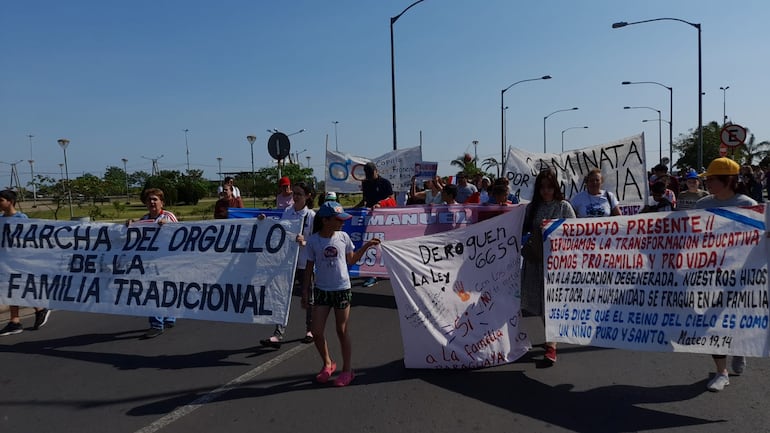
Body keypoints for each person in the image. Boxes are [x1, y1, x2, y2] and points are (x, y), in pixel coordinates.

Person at [304, 200, 381, 387]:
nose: (342, 222)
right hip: (322, 290)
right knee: (316, 331)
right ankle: (328, 364)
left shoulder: (344, 237)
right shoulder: (313, 241)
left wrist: (366, 246)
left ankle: (347, 370)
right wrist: (306, 291)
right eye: (338, 219)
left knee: (342, 330)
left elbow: (351, 260)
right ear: (325, 220)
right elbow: (308, 268)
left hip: (341, 289)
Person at [696, 157, 757, 392]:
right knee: (713, 322)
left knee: (736, 319)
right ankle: (721, 372)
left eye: (711, 179)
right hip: (710, 276)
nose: (708, 183)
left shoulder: (748, 204)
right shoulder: (701, 205)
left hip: (741, 275)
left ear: (727, 180)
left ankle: (739, 348)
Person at [520, 170, 576, 365]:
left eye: (549, 187)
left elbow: (574, 233)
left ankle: (551, 345)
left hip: (556, 265)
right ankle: (550, 340)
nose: (546, 191)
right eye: (542, 187)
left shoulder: (564, 207)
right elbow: (522, 228)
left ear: (556, 187)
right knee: (540, 305)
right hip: (536, 262)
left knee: (550, 303)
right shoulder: (532, 208)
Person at [260, 181, 317, 348]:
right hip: (287, 263)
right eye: (295, 193)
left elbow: (316, 240)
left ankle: (310, 329)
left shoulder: (311, 216)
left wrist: (304, 242)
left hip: (305, 263)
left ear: (308, 196)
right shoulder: (287, 212)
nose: (296, 197)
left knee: (309, 297)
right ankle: (278, 333)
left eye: (300, 194)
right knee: (282, 297)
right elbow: (280, 230)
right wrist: (264, 221)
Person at [128, 188, 178, 339]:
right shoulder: (145, 219)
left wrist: (167, 226)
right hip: (150, 263)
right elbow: (138, 228)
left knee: (167, 290)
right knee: (152, 292)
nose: (152, 202)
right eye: (149, 200)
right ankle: (157, 323)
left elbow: (180, 234)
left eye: (155, 199)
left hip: (167, 262)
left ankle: (169, 317)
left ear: (162, 202)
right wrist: (131, 223)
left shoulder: (168, 216)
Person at [0, 190, 51, 336]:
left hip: (18, 260)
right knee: (10, 289)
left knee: (16, 288)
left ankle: (23, 317)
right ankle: (17, 320)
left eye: (1, 200)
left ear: (10, 201)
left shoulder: (21, 218)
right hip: (5, 260)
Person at [356, 162, 393, 287]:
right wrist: (355, 209)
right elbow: (365, 200)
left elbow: (392, 200)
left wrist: (380, 204)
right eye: (368, 175)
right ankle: (372, 274)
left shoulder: (385, 183)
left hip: (384, 218)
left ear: (376, 171)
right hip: (370, 218)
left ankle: (386, 269)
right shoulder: (365, 183)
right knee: (370, 244)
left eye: (371, 174)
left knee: (385, 244)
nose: (370, 177)